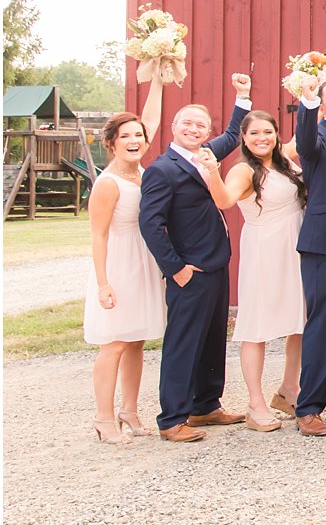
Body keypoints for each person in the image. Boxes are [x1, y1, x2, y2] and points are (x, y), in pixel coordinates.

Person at [137, 74, 252, 441]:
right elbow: (150, 224)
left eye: (201, 124)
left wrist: (242, 96)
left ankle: (206, 406)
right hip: (190, 269)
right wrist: (175, 268)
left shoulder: (207, 157)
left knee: (212, 338)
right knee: (183, 343)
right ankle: (172, 418)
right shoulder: (162, 169)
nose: (194, 128)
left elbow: (234, 136)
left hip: (216, 264)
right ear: (173, 127)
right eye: (187, 122)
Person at [205, 110, 306, 432]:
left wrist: (311, 89)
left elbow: (304, 131)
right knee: (257, 327)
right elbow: (224, 201)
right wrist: (211, 172)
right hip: (266, 250)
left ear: (276, 134)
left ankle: (289, 389)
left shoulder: (284, 161)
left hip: (295, 247)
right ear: (244, 139)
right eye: (254, 134)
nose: (262, 138)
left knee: (300, 321)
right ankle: (255, 402)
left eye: (268, 132)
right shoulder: (243, 171)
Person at [84, 76, 165, 444]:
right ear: (111, 143)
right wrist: (103, 283)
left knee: (136, 341)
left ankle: (129, 409)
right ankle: (103, 417)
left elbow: (151, 118)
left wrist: (159, 82)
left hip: (142, 260)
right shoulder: (107, 183)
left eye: (139, 136)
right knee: (114, 342)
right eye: (126, 136)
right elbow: (98, 235)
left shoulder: (142, 172)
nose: (134, 141)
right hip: (118, 263)